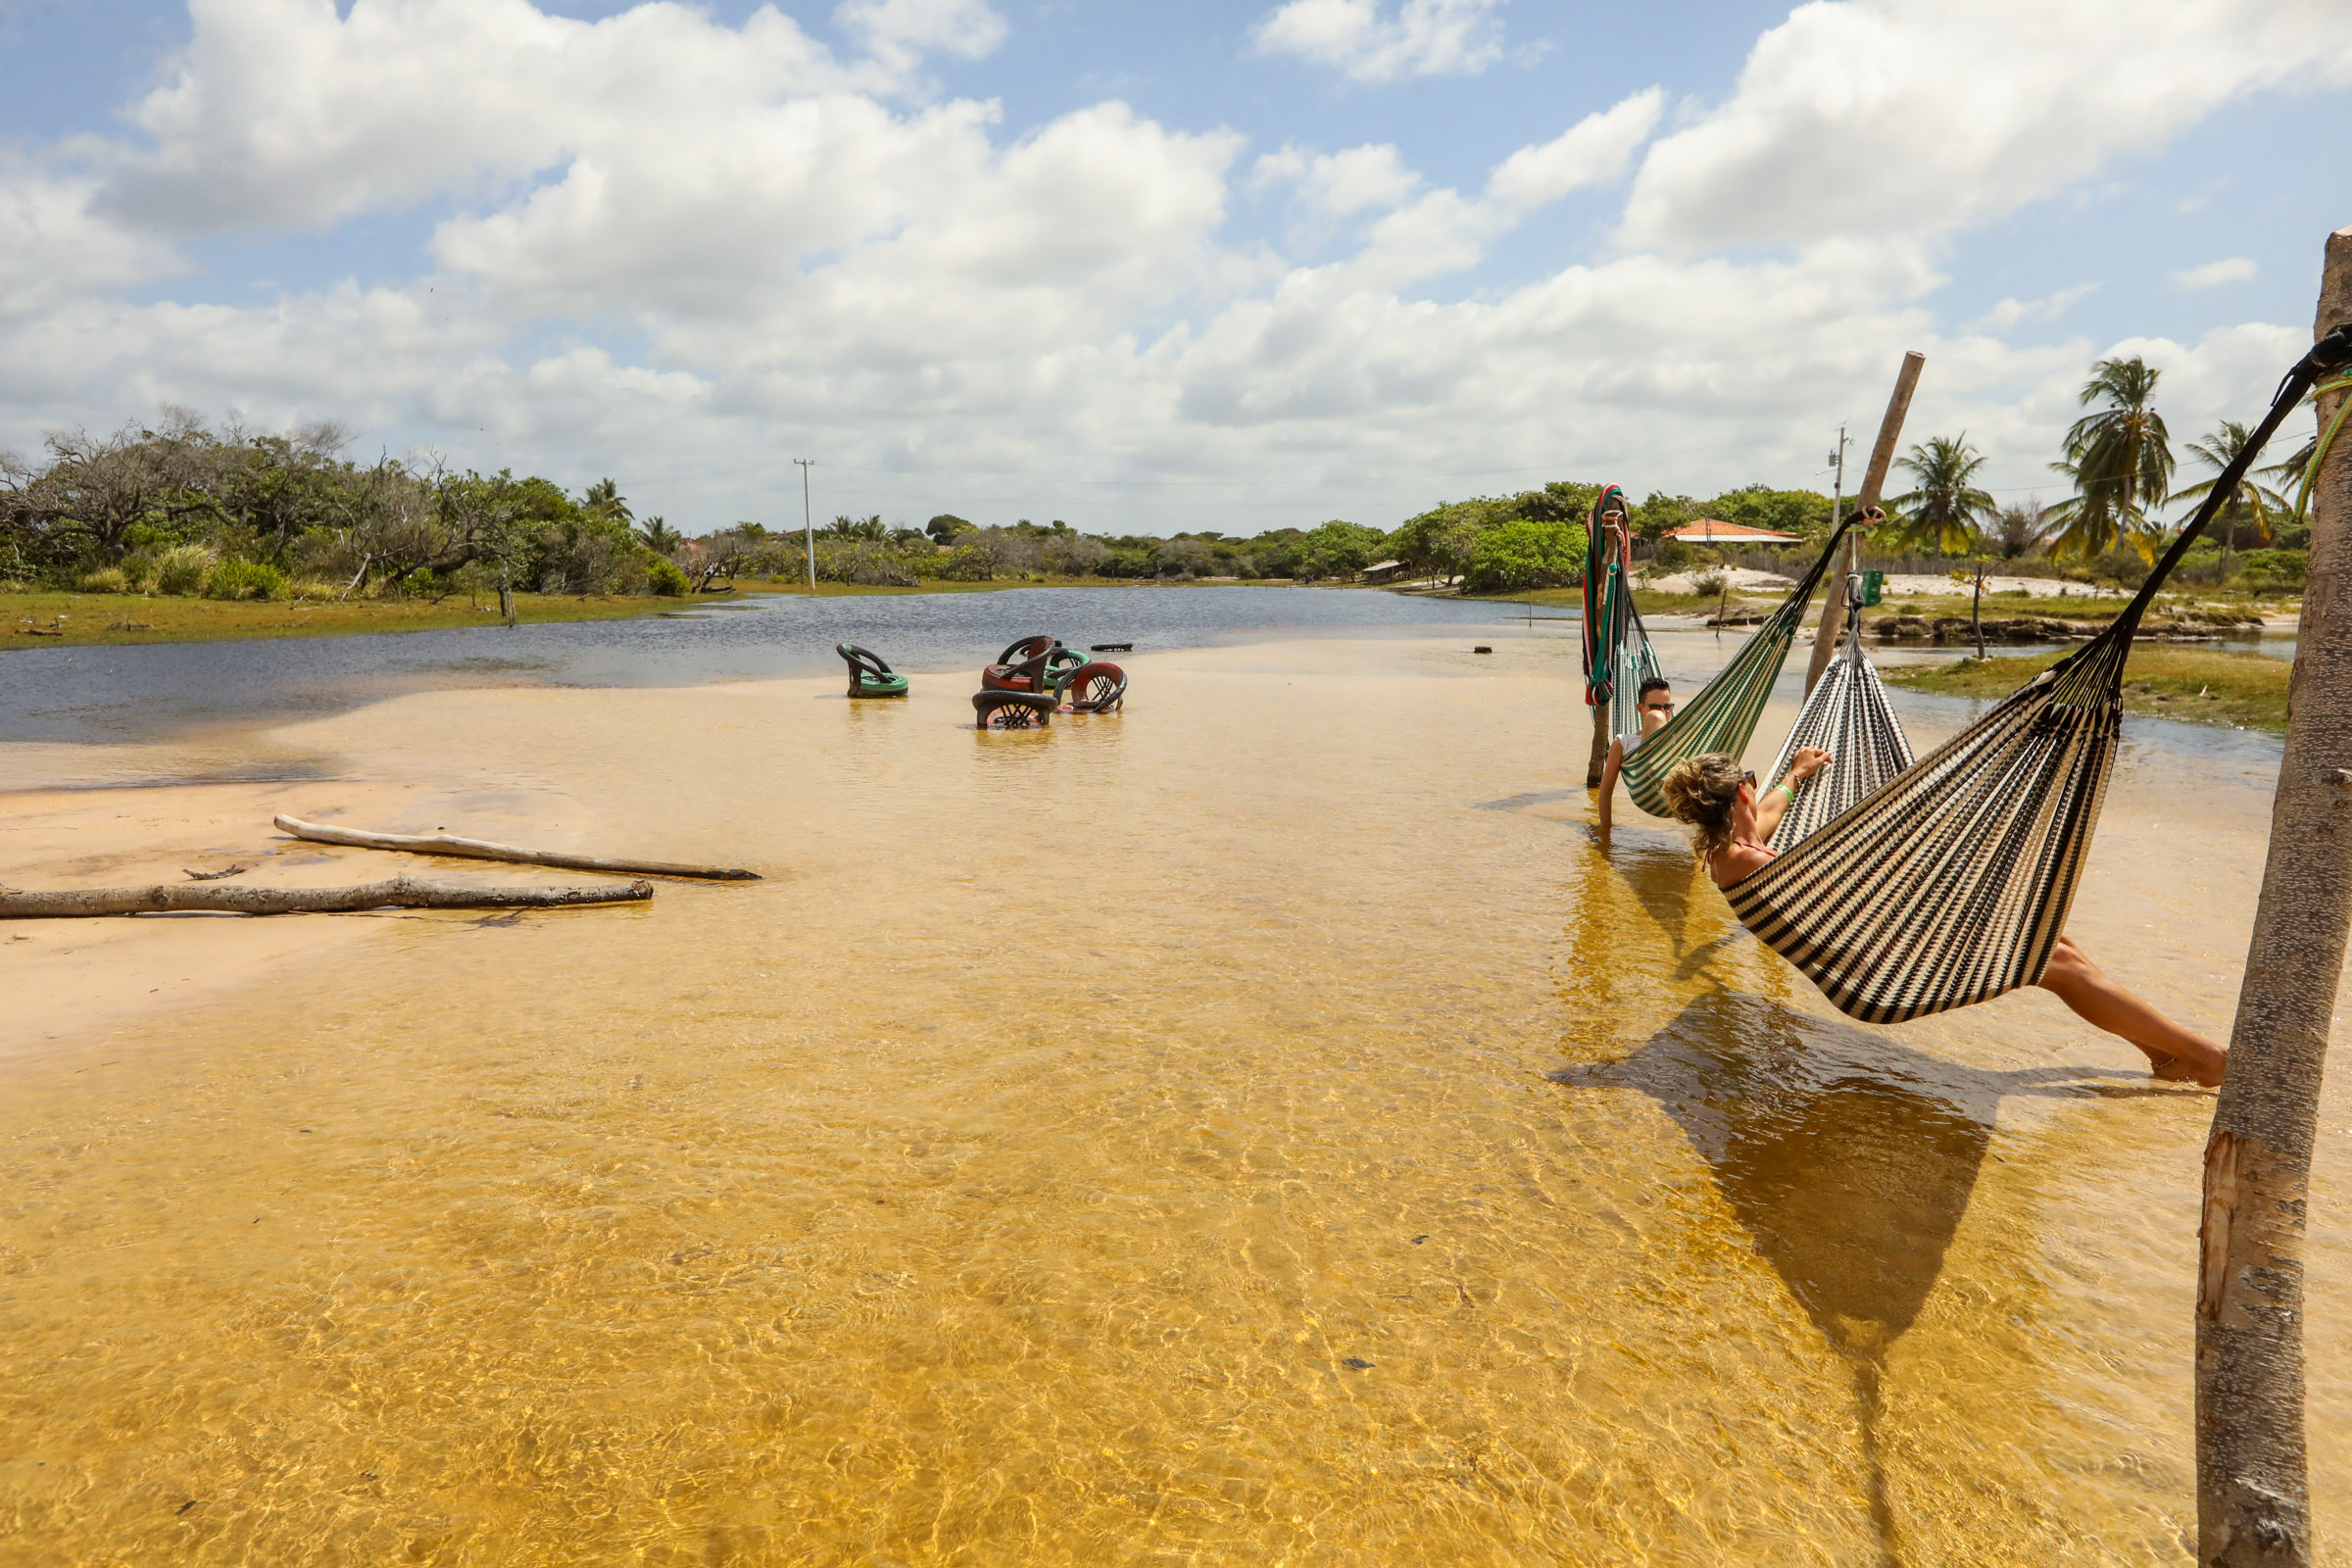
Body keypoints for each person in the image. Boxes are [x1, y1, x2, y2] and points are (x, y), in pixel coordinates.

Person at [1658, 750, 2229, 1087]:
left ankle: (2164, 1056)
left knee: (2056, 946)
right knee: (2055, 963)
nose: (1761, 797)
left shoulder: (1726, 851)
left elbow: (1770, 810)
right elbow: (1851, 887)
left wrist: (1795, 774)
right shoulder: (1747, 860)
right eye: (1753, 789)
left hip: (1873, 961)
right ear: (1741, 793)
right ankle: (2209, 1061)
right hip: (1880, 982)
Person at [1592, 675, 1675, 839]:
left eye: (1667, 707)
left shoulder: (1683, 736)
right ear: (1640, 708)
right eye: (1654, 706)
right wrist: (1605, 832)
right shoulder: (1624, 742)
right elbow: (1606, 791)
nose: (1662, 712)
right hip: (1648, 786)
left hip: (1680, 790)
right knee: (1654, 718)